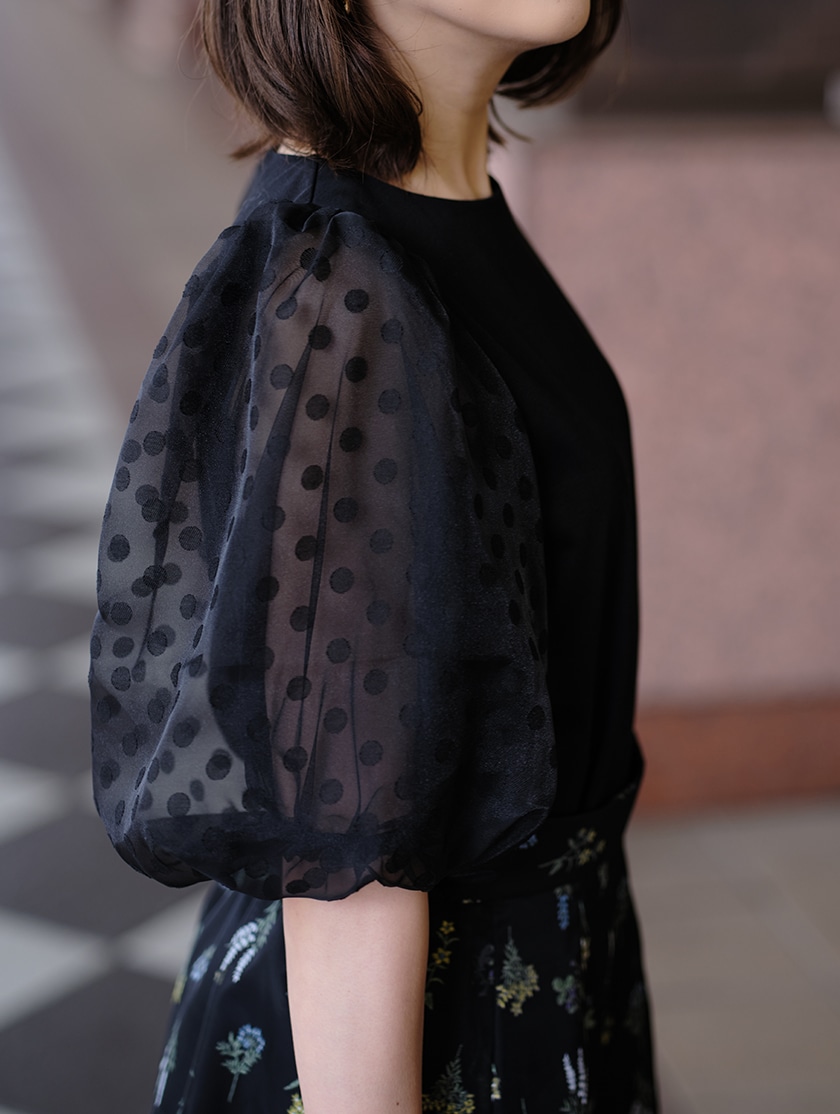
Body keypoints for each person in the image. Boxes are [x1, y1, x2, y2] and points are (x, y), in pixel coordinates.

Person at [89, 0, 658, 1110]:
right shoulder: (345, 277)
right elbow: (349, 849)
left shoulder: (435, 207)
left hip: (549, 966)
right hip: (430, 1028)